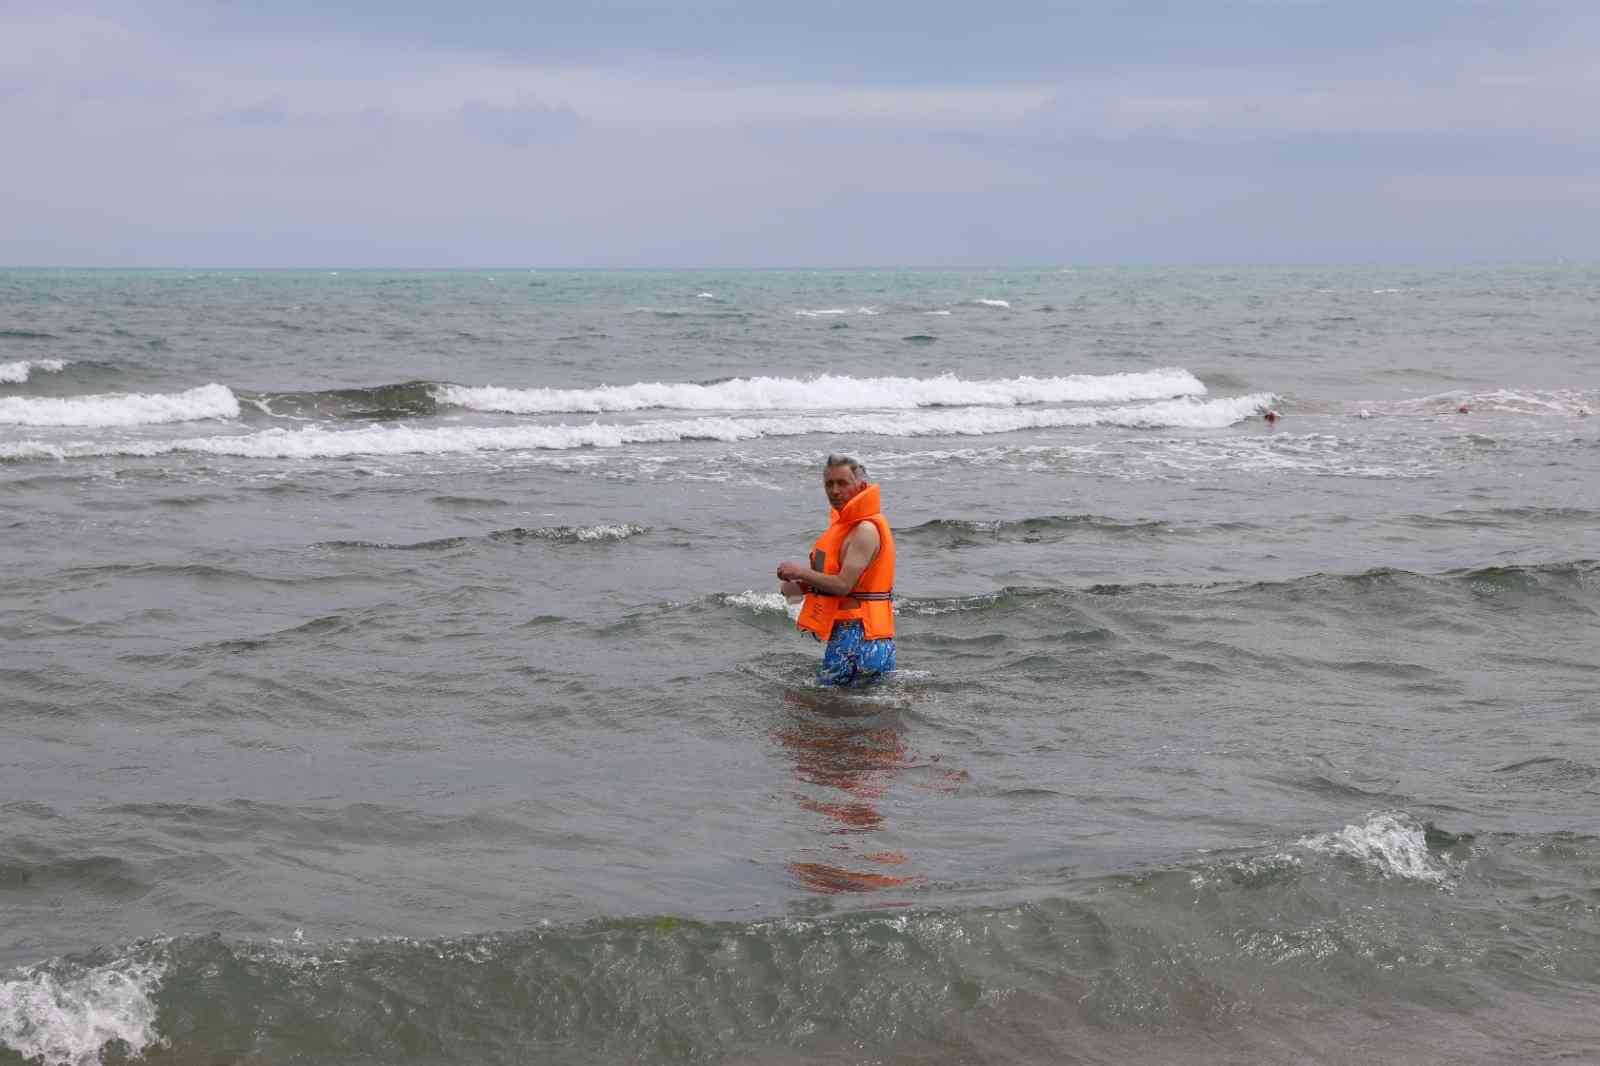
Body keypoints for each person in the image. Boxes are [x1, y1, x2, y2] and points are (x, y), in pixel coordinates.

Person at [776, 454, 896, 687]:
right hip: (868, 635)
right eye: (829, 484)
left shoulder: (865, 530)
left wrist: (800, 572)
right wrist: (798, 586)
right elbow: (831, 583)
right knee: (859, 712)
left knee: (825, 707)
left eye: (842, 483)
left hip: (859, 634)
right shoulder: (846, 529)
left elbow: (844, 585)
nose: (835, 491)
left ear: (861, 486)